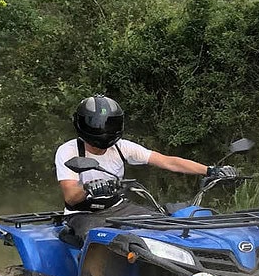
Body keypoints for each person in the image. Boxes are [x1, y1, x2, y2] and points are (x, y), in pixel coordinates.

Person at [55, 94, 237, 243]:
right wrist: (88, 188)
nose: (104, 131)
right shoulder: (68, 151)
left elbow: (168, 161)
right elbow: (71, 196)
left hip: (119, 207)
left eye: (110, 125)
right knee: (99, 240)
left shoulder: (121, 147)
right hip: (83, 214)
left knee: (164, 228)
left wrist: (210, 170)